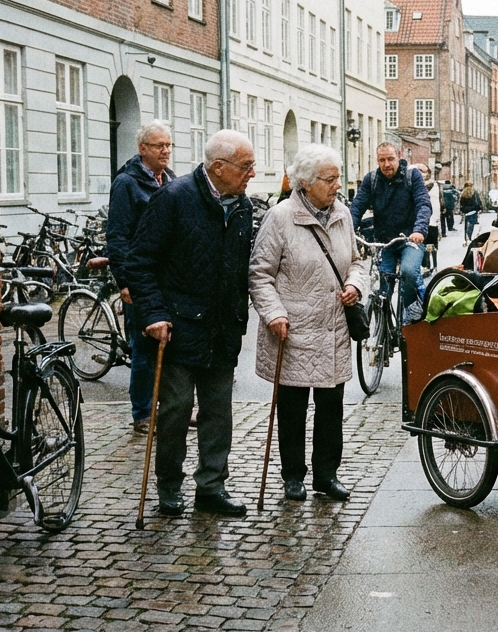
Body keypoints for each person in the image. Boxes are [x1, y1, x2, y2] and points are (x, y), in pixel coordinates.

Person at [122, 129, 258, 518]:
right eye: (246, 166)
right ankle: (169, 487)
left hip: (222, 327)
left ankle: (211, 488)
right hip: (178, 327)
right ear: (218, 167)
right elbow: (140, 261)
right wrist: (154, 314)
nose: (252, 172)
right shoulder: (174, 198)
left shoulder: (243, 205)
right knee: (176, 411)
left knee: (218, 413)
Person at [249, 145, 365, 503]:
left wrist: (355, 285)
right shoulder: (281, 217)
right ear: (306, 182)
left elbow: (358, 262)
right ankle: (292, 476)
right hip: (294, 331)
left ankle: (326, 475)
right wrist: (274, 313)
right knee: (293, 409)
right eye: (329, 179)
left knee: (331, 409)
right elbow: (260, 274)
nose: (336, 185)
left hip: (332, 331)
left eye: (337, 178)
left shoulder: (342, 213)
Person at [105, 120, 177, 434]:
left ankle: (170, 408)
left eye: (169, 145)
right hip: (140, 278)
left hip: (169, 280)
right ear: (142, 148)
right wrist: (124, 282)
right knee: (143, 348)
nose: (166, 151)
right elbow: (117, 238)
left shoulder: (170, 180)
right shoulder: (127, 183)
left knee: (170, 346)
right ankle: (143, 413)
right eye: (159, 145)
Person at [350, 142, 431, 324]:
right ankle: (383, 332)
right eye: (382, 160)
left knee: (409, 272)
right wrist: (347, 229)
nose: (386, 164)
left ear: (399, 156)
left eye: (390, 159)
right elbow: (357, 206)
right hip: (384, 242)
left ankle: (411, 312)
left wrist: (419, 230)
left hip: (410, 239)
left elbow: (423, 204)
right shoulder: (372, 180)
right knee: (382, 289)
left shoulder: (412, 176)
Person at [416, 162, 442, 270]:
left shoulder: (426, 185)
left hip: (430, 218)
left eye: (423, 172)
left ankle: (428, 265)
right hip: (429, 219)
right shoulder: (434, 185)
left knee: (427, 244)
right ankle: (430, 265)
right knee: (429, 245)